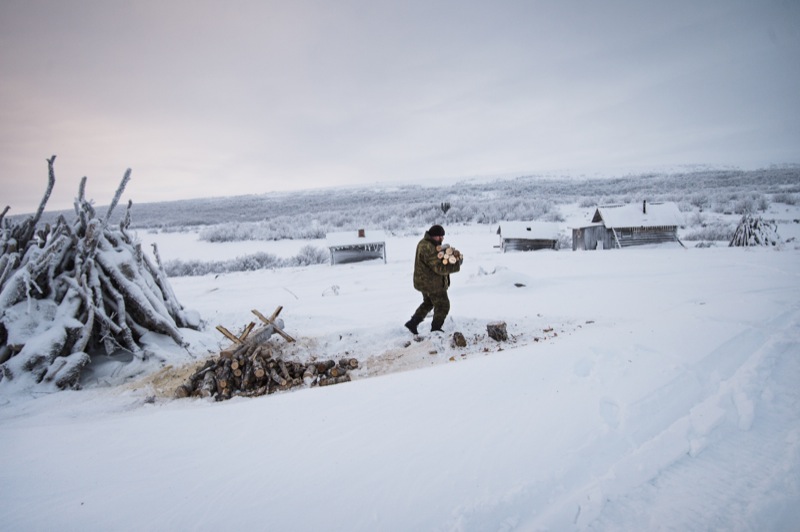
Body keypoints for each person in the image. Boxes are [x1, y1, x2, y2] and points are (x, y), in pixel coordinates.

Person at [404, 224, 462, 334]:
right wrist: (456, 265)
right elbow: (439, 268)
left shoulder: (426, 243)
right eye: (439, 236)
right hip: (431, 284)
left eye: (442, 236)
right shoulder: (428, 247)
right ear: (433, 236)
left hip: (423, 281)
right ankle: (436, 329)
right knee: (443, 305)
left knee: (428, 303)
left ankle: (412, 323)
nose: (441, 239)